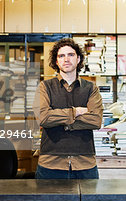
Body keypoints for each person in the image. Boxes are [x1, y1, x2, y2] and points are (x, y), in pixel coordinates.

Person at [33, 38, 103, 179]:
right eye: (61, 56)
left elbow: (96, 121)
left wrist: (61, 122)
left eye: (71, 55)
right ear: (56, 61)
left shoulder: (91, 88)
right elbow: (44, 118)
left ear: (78, 59)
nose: (66, 59)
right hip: (51, 164)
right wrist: (75, 112)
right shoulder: (45, 87)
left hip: (85, 164)